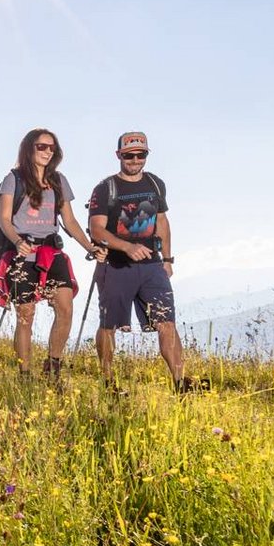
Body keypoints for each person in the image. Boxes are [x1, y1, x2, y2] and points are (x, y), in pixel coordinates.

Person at [87, 131, 191, 390]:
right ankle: (109, 382)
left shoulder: (155, 184)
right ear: (118, 155)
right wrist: (127, 247)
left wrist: (167, 259)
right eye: (129, 155)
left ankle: (181, 384)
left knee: (166, 322)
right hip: (115, 265)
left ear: (147, 154)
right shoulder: (105, 188)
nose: (135, 160)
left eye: (140, 154)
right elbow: (97, 229)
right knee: (109, 325)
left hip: (152, 266)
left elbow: (162, 221)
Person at [0, 128, 100, 377]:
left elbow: (70, 221)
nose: (47, 152)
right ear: (29, 148)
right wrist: (17, 241)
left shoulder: (58, 180)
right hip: (22, 254)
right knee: (26, 316)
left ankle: (52, 368)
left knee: (65, 307)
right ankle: (24, 374)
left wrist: (89, 246)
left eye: (51, 147)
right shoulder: (13, 179)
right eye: (41, 147)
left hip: (51, 252)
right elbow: (4, 219)